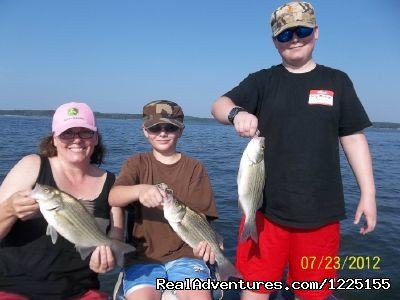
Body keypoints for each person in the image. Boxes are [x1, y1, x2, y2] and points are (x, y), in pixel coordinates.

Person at [211, 2, 376, 300]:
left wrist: (368, 193)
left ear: (316, 32)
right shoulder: (263, 81)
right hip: (264, 214)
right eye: (285, 35)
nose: (295, 39)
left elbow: (353, 137)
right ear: (275, 41)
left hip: (321, 215)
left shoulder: (337, 81)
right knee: (256, 288)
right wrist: (237, 114)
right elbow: (219, 105)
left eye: (302, 30)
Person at [0, 102, 125, 300]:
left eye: (85, 132)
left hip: (82, 291)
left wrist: (109, 258)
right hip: (15, 288)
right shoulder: (32, 165)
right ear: (54, 140)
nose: (76, 139)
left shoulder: (113, 182)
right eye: (67, 133)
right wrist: (8, 210)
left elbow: (116, 236)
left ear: (95, 138)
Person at [109, 100, 219, 300]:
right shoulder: (136, 163)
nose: (162, 133)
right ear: (144, 131)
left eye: (170, 127)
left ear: (181, 131)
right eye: (154, 128)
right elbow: (113, 196)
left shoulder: (195, 167)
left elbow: (202, 216)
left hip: (188, 255)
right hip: (143, 257)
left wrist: (208, 244)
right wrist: (140, 190)